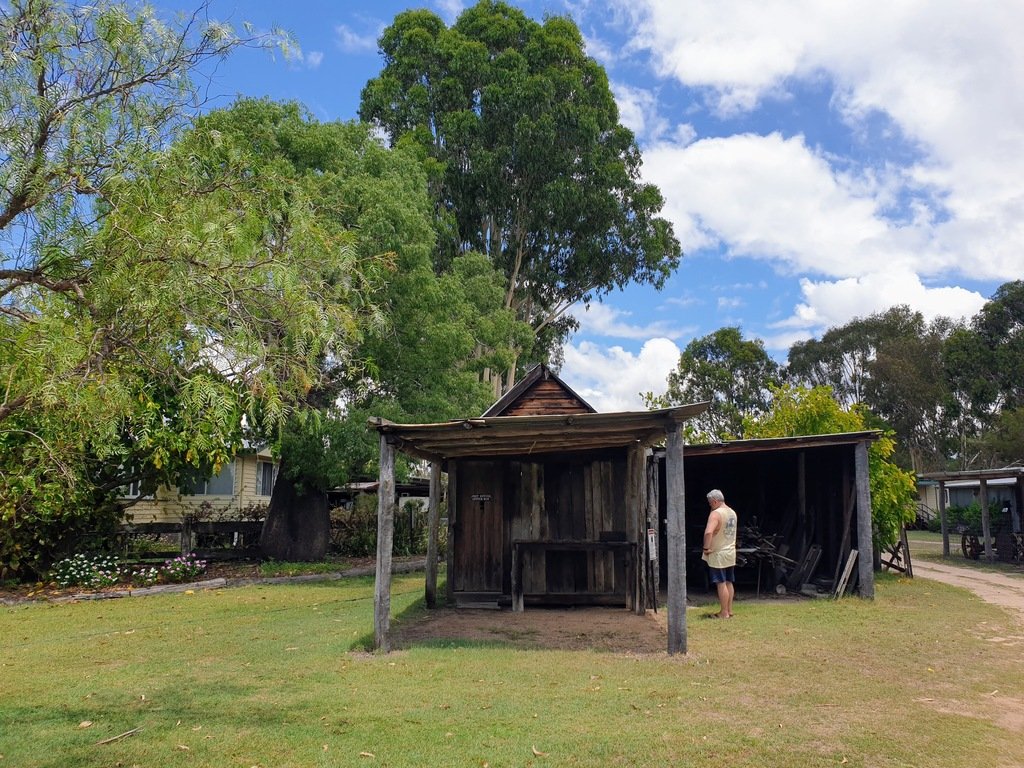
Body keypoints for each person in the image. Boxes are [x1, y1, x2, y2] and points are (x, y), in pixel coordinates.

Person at [702, 489, 738, 618]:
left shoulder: (716, 514)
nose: (710, 505)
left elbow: (708, 532)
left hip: (719, 554)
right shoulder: (732, 513)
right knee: (729, 581)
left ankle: (723, 613)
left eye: (710, 503)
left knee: (721, 583)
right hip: (730, 552)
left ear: (715, 501)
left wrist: (706, 548)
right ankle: (729, 610)